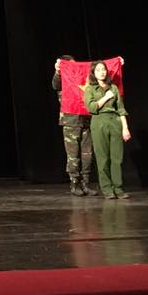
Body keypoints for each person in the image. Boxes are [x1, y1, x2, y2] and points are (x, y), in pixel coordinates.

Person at [83, 61, 131, 199]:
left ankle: (118, 188)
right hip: (99, 122)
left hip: (114, 121)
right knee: (102, 158)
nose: (102, 72)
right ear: (94, 73)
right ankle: (107, 189)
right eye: (98, 70)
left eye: (103, 69)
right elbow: (91, 107)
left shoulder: (114, 87)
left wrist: (125, 128)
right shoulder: (90, 89)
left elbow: (121, 109)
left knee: (117, 158)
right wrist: (106, 97)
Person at [53, 55, 95, 196]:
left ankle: (86, 184)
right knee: (73, 156)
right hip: (70, 121)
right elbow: (55, 85)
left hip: (86, 120)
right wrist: (58, 71)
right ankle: (74, 183)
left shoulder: (82, 78)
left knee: (87, 154)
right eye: (70, 66)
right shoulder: (64, 79)